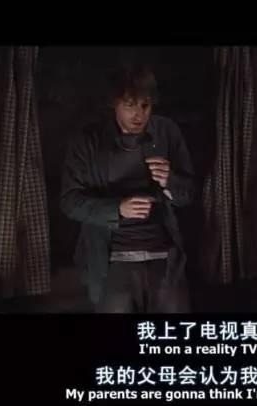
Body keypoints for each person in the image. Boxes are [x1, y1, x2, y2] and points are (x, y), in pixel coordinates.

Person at [60, 63, 195, 313]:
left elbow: (187, 195)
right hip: (113, 258)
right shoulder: (88, 141)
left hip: (163, 255)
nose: (139, 115)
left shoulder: (166, 132)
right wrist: (117, 209)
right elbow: (70, 202)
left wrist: (170, 181)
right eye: (130, 105)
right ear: (114, 104)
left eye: (145, 105)